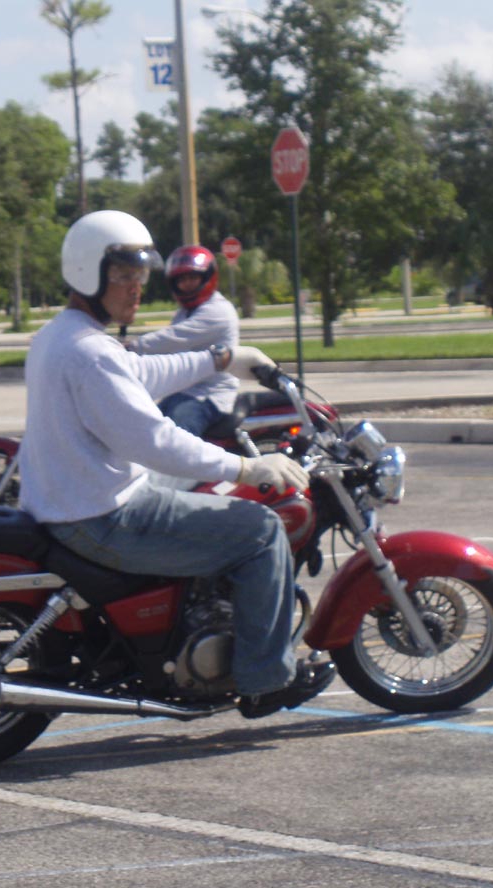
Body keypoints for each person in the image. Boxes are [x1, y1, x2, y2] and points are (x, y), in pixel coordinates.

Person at [18, 210, 334, 719]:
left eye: (141, 274)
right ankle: (264, 679)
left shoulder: (62, 335)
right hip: (102, 514)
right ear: (87, 273)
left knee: (201, 483)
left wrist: (221, 360)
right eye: (123, 274)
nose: (136, 287)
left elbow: (142, 372)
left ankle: (200, 612)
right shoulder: (89, 352)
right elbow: (154, 441)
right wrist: (247, 468)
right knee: (260, 531)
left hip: (75, 495)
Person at [125, 245, 238, 438]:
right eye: (181, 279)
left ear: (207, 277)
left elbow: (174, 338)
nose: (187, 284)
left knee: (176, 438)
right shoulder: (185, 313)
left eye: (192, 278)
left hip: (210, 394)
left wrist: (133, 347)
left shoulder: (218, 310)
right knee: (148, 423)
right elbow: (170, 352)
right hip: (184, 392)